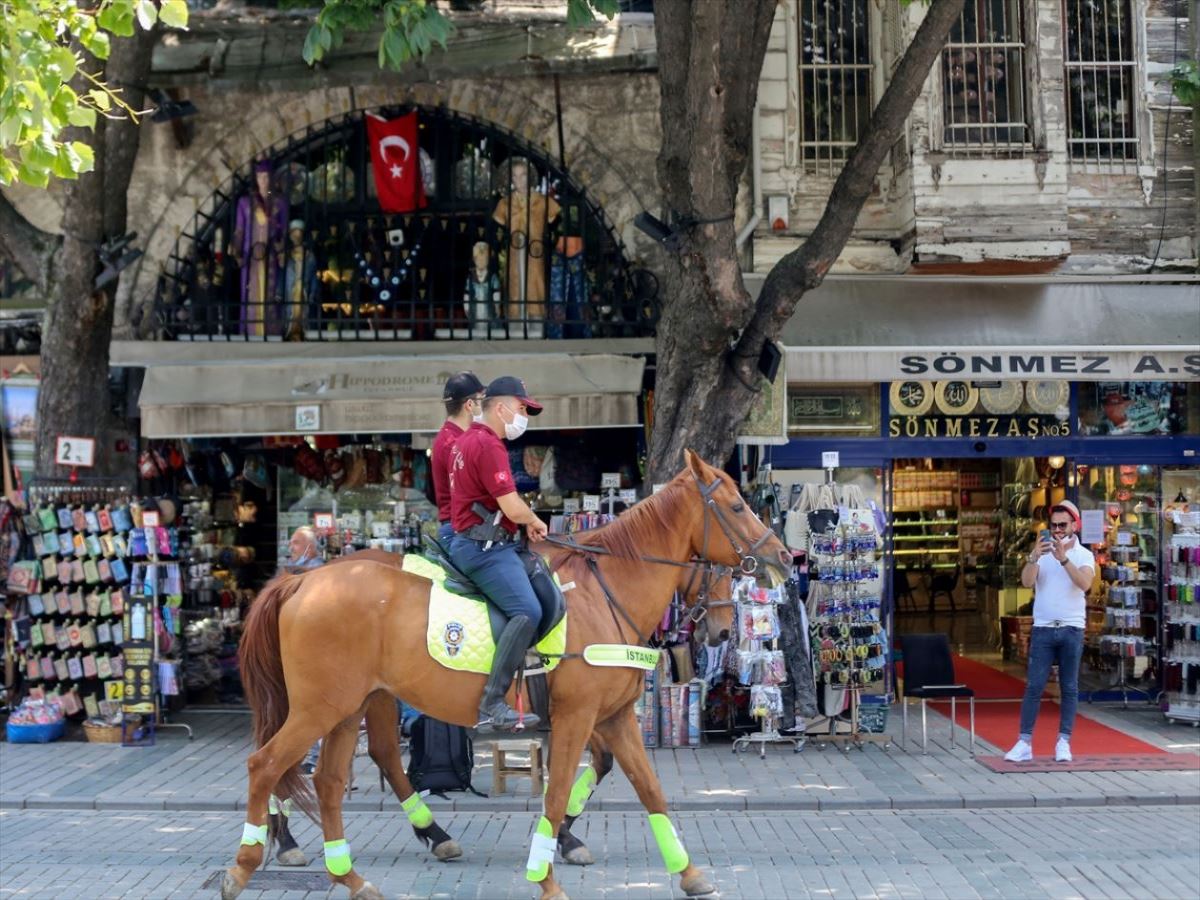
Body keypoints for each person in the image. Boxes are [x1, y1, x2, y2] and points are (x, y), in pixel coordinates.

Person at [447, 375, 549, 732]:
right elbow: (510, 505)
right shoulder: (489, 445)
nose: (523, 416)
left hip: (474, 541)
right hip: (484, 548)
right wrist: (533, 520)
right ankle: (493, 703)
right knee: (528, 609)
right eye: (522, 408)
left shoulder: (465, 439)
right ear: (502, 407)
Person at [1005, 501, 1095, 763]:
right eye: (1053, 525)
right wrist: (1034, 556)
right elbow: (1027, 582)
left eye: (1062, 525)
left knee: (1069, 687)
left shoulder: (1083, 555)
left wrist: (1063, 559)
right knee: (1034, 686)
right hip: (1044, 627)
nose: (1057, 531)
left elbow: (1085, 584)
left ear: (1074, 525)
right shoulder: (1041, 552)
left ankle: (1064, 741)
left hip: (1071, 628)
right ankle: (1024, 742)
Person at [432, 372, 486, 543]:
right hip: (462, 531)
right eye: (482, 400)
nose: (485, 406)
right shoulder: (453, 443)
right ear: (470, 405)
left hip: (464, 528)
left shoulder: (457, 438)